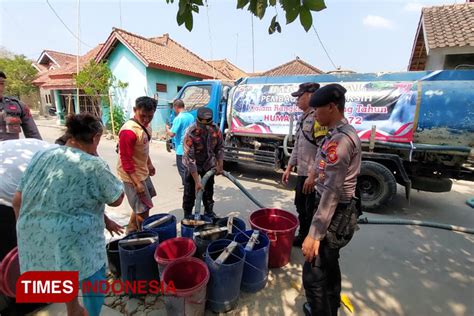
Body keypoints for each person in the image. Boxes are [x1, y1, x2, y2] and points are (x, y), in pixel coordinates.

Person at [13, 113, 124, 316]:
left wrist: (27, 233)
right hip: (78, 241)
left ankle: (72, 310)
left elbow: (17, 201)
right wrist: (95, 155)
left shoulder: (43, 155)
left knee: (63, 273)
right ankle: (91, 313)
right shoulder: (93, 165)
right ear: (96, 137)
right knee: (92, 279)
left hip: (37, 235)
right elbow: (116, 198)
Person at [301, 84, 362, 316]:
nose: (314, 114)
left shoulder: (341, 140)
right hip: (335, 209)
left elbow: (332, 191)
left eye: (317, 110)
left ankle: (320, 310)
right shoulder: (336, 132)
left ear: (331, 106)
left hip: (334, 211)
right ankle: (331, 305)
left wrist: (314, 233)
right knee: (329, 263)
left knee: (313, 272)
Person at [282, 82, 326, 247]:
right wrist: (288, 167)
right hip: (302, 173)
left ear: (310, 95)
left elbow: (323, 150)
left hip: (312, 176)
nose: (297, 101)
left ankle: (309, 237)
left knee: (310, 209)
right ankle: (305, 234)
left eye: (299, 97)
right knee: (301, 206)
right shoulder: (304, 118)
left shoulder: (318, 118)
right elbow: (298, 146)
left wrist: (313, 176)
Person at [117, 96, 157, 233]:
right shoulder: (129, 131)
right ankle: (142, 236)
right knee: (143, 211)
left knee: (143, 204)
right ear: (135, 110)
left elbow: (142, 149)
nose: (146, 119)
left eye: (150, 116)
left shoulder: (145, 127)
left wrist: (150, 164)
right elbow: (125, 160)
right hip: (132, 176)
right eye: (143, 115)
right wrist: (136, 183)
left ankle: (131, 228)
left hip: (142, 171)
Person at [182, 107, 224, 219]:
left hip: (208, 164)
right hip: (192, 166)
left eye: (208, 124)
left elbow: (219, 148)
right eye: (202, 125)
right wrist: (197, 181)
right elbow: (190, 159)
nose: (205, 128)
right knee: (190, 192)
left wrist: (220, 164)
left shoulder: (216, 130)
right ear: (197, 121)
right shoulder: (190, 133)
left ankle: (209, 212)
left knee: (208, 191)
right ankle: (188, 215)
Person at [0, 71, 42, 141]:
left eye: (1, 83)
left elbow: (33, 135)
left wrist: (40, 149)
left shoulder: (18, 106)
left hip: (12, 151)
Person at [166, 99, 195, 185]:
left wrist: (167, 128)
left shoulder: (178, 118)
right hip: (190, 147)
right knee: (189, 168)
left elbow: (172, 134)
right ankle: (191, 184)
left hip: (181, 149)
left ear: (176, 107)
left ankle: (188, 187)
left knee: (182, 170)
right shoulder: (191, 116)